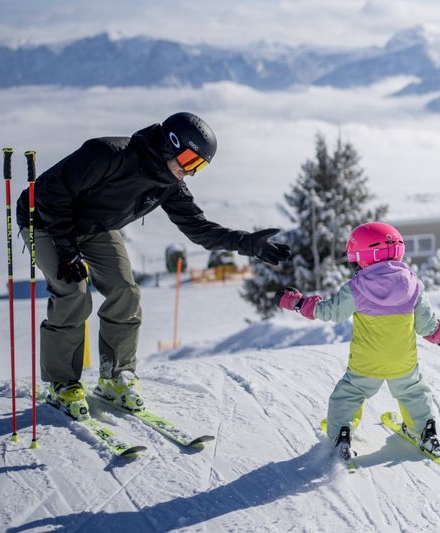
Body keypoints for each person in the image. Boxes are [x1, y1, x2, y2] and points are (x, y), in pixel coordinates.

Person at [16, 112, 290, 419]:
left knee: (125, 292)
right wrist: (67, 253)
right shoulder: (109, 153)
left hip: (93, 227)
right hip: (44, 219)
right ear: (170, 144)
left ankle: (115, 377)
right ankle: (63, 383)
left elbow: (198, 228)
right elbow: (51, 194)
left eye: (198, 166)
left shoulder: (168, 184)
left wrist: (248, 244)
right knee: (74, 293)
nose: (189, 171)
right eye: (189, 160)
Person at [274, 222, 440, 462]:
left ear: (362, 257)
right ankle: (426, 433)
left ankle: (342, 434)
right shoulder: (413, 284)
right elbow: (426, 324)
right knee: (413, 391)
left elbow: (330, 311)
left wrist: (297, 303)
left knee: (349, 394)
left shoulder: (357, 288)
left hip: (366, 362)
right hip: (402, 361)